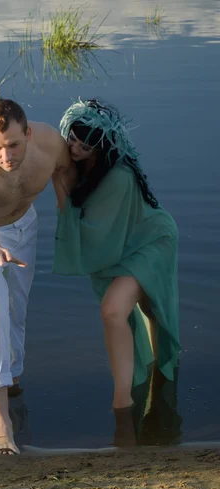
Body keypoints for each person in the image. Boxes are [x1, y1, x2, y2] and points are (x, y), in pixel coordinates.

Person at [0, 98, 73, 455]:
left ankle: (13, 380)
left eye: (13, 145)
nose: (5, 156)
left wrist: (63, 205)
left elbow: (65, 169)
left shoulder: (50, 142)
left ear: (28, 133)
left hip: (25, 227)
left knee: (17, 310)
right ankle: (0, 424)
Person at [54, 98, 181, 418]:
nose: (75, 148)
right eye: (72, 139)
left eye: (85, 145)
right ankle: (145, 386)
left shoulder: (118, 175)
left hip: (152, 241)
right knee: (129, 309)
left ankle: (125, 400)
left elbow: (93, 231)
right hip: (125, 239)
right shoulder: (80, 162)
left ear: (101, 145)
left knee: (130, 309)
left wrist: (60, 187)